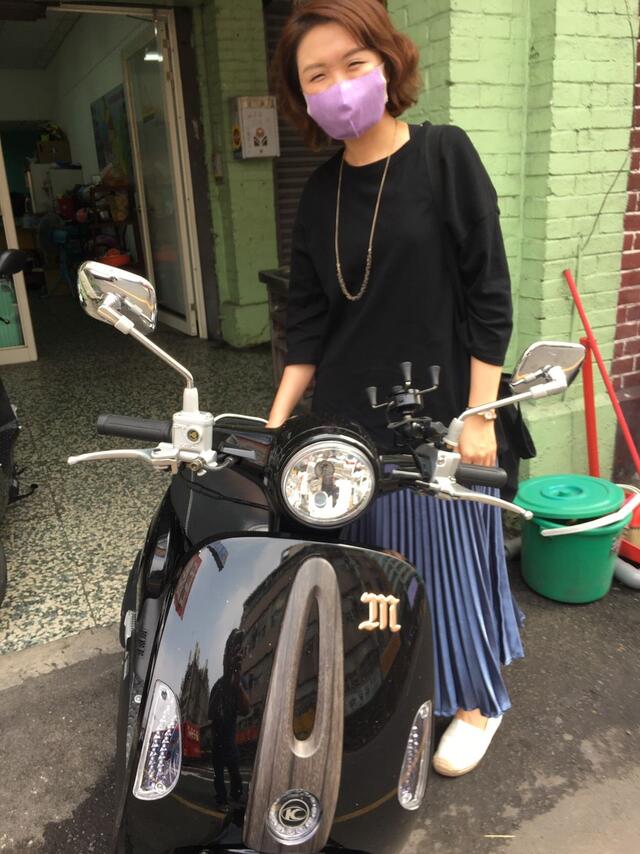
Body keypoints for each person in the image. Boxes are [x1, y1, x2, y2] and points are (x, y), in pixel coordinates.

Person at [267, 0, 523, 777]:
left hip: (438, 418)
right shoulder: (318, 194)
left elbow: (488, 292)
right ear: (301, 96)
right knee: (373, 569)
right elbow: (306, 325)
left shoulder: (444, 155)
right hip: (348, 426)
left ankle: (476, 702)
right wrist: (268, 428)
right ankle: (393, 685)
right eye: (317, 75)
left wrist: (480, 415)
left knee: (446, 562)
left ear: (387, 62)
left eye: (353, 63)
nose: (339, 85)